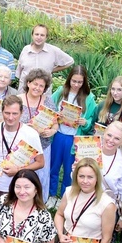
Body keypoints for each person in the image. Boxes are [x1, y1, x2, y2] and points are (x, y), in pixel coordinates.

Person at [0, 96, 44, 211]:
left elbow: (40, 162)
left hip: (15, 188)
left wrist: (18, 171)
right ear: (2, 112)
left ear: (21, 113)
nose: (10, 117)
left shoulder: (31, 134)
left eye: (15, 113)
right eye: (7, 113)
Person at [48, 65, 96, 204]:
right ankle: (51, 195)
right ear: (69, 80)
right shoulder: (61, 92)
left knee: (70, 170)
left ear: (84, 82)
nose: (76, 85)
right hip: (59, 134)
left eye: (79, 82)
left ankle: (65, 197)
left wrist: (84, 122)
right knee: (54, 166)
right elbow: (49, 108)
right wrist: (56, 115)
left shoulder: (89, 98)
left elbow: (91, 121)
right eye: (73, 81)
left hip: (74, 138)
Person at [19, 69, 59, 201]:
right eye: (35, 84)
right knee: (22, 174)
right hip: (21, 147)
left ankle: (39, 201)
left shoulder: (48, 102)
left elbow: (55, 123)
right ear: (28, 83)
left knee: (41, 175)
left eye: (41, 86)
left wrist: (52, 131)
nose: (37, 88)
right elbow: (9, 120)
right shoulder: (18, 100)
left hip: (42, 146)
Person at [98, 122, 122, 237]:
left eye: (117, 138)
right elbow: (75, 179)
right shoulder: (90, 149)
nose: (111, 140)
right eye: (109, 135)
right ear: (104, 133)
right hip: (85, 200)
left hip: (107, 205)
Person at [15, 24, 74, 93]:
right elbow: (19, 71)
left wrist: (52, 69)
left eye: (42, 35)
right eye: (36, 34)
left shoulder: (53, 51)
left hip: (43, 93)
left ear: (46, 37)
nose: (39, 37)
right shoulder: (25, 50)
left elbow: (70, 61)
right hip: (24, 92)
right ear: (32, 35)